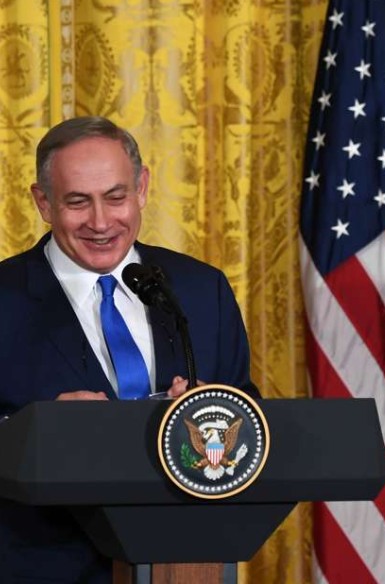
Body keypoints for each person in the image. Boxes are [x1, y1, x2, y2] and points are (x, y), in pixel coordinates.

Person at [0, 117, 259, 582]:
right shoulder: (4, 298)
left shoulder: (203, 290)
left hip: (186, 563)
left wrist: (211, 410)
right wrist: (33, 433)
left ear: (142, 187)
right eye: (78, 202)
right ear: (43, 202)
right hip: (39, 566)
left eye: (116, 197)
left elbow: (252, 417)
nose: (101, 223)